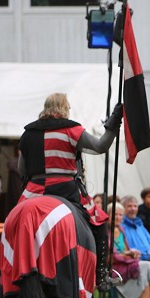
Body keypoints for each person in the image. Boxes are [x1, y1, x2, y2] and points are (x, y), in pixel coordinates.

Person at [18, 93, 122, 259]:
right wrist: (114, 123)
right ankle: (101, 275)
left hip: (34, 190)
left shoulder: (28, 133)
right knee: (99, 221)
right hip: (66, 188)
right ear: (65, 108)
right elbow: (101, 146)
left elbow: (21, 169)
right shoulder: (72, 130)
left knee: (14, 223)